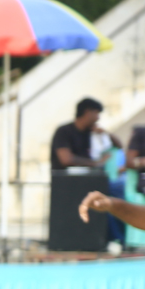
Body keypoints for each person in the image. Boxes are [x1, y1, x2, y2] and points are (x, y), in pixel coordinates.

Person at [52, 98, 125, 244]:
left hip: (91, 181)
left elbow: (118, 146)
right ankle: (115, 238)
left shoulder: (91, 133)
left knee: (116, 194)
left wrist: (106, 133)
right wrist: (95, 163)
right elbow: (65, 159)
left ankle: (117, 239)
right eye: (96, 113)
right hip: (67, 183)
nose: (98, 118)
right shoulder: (64, 131)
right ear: (87, 112)